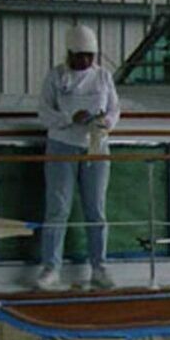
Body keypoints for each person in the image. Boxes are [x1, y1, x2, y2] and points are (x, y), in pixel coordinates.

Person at [35, 25, 120, 290]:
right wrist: (68, 119)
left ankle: (99, 266)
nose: (84, 61)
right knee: (58, 207)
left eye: (89, 56)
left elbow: (115, 109)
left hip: (96, 146)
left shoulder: (104, 77)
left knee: (96, 208)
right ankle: (51, 267)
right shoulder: (57, 78)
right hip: (62, 145)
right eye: (80, 55)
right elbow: (43, 112)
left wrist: (106, 121)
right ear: (69, 53)